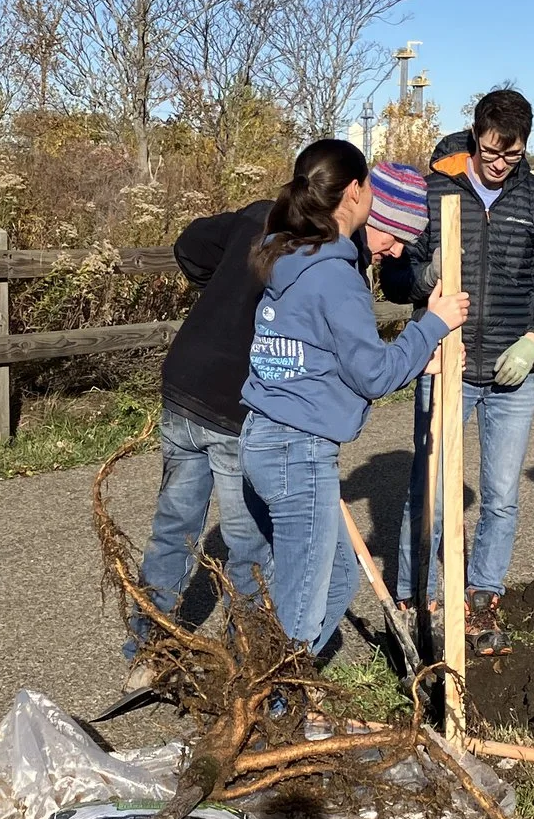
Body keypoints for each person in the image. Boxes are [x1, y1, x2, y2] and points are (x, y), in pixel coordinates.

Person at [240, 145, 467, 658]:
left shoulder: (291, 255)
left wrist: (418, 359)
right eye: (395, 236)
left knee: (339, 574)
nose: (396, 250)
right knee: (301, 607)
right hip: (298, 450)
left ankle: (263, 676)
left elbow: (326, 357)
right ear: (355, 193)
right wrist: (433, 324)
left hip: (264, 436)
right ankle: (275, 696)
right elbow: (372, 375)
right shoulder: (336, 277)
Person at [389, 86, 534, 654]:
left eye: (513, 154)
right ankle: (415, 597)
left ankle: (482, 596)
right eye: (493, 151)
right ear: (476, 136)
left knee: (500, 495)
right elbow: (395, 277)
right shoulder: (434, 192)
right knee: (430, 489)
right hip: (443, 363)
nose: (500, 164)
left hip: (510, 376)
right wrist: (424, 277)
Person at [124, 193, 276, 682]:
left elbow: (189, 245)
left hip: (186, 381)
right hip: (234, 401)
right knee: (249, 540)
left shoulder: (257, 215)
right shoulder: (315, 238)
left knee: (174, 525)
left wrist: (221, 285)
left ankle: (149, 650)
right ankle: (248, 664)